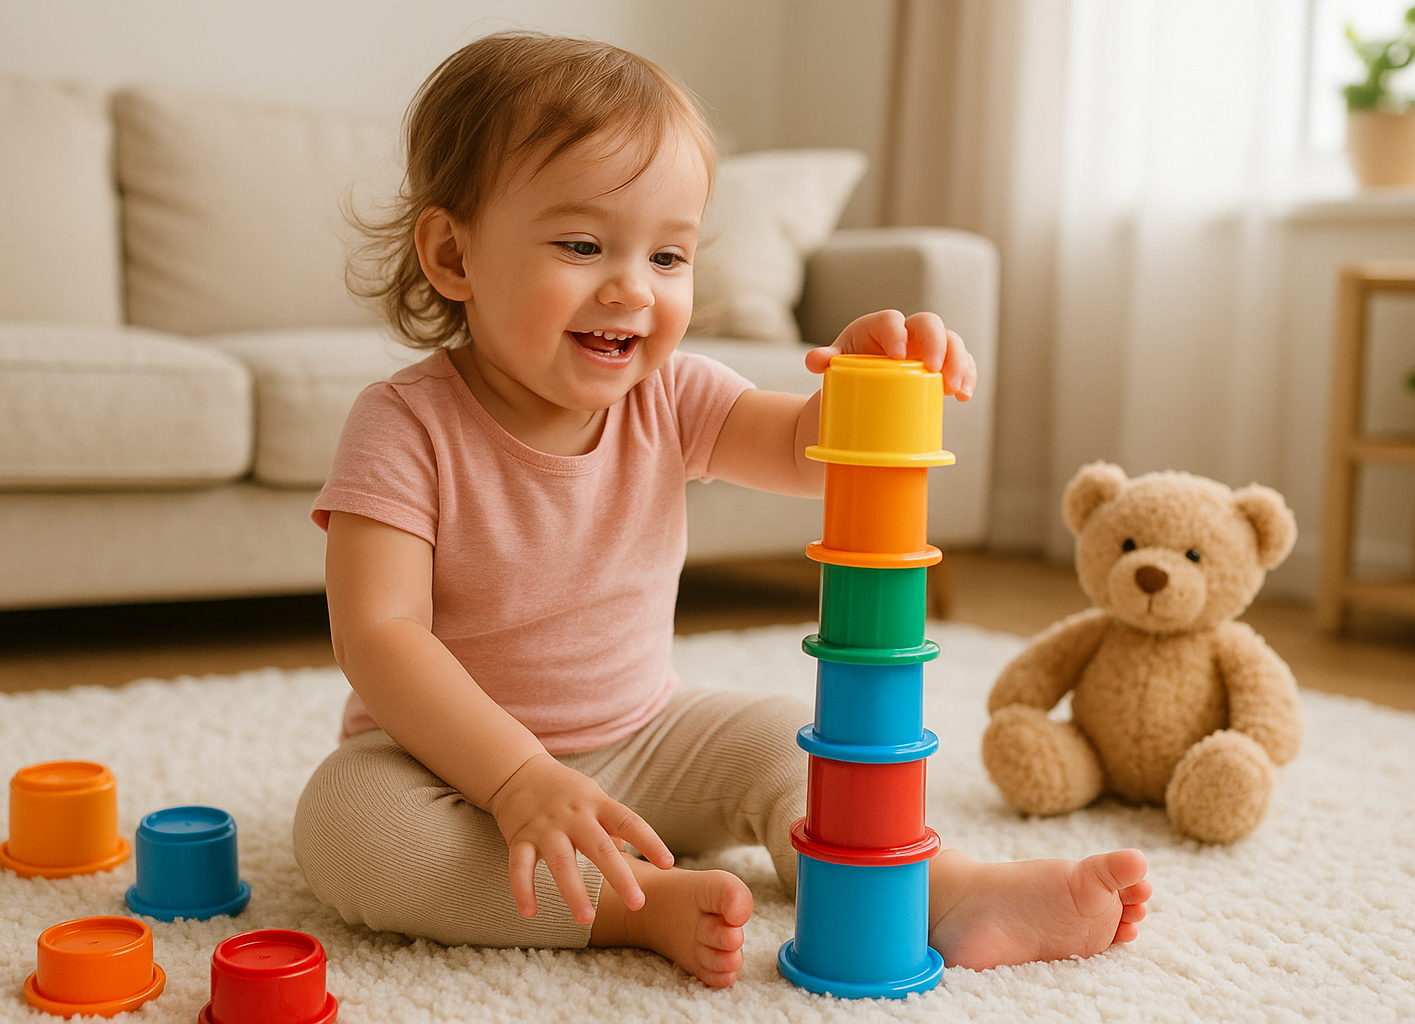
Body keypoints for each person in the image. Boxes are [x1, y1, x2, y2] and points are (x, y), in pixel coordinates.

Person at [294, 31, 1151, 988]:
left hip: (649, 737)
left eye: (668, 255)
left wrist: (871, 381)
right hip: (451, 769)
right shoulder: (404, 424)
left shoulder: (671, 395)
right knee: (348, 830)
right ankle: (634, 910)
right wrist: (517, 778)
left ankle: (940, 892)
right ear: (453, 255)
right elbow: (380, 634)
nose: (632, 287)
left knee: (791, 739)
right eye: (583, 246)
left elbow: (802, 448)